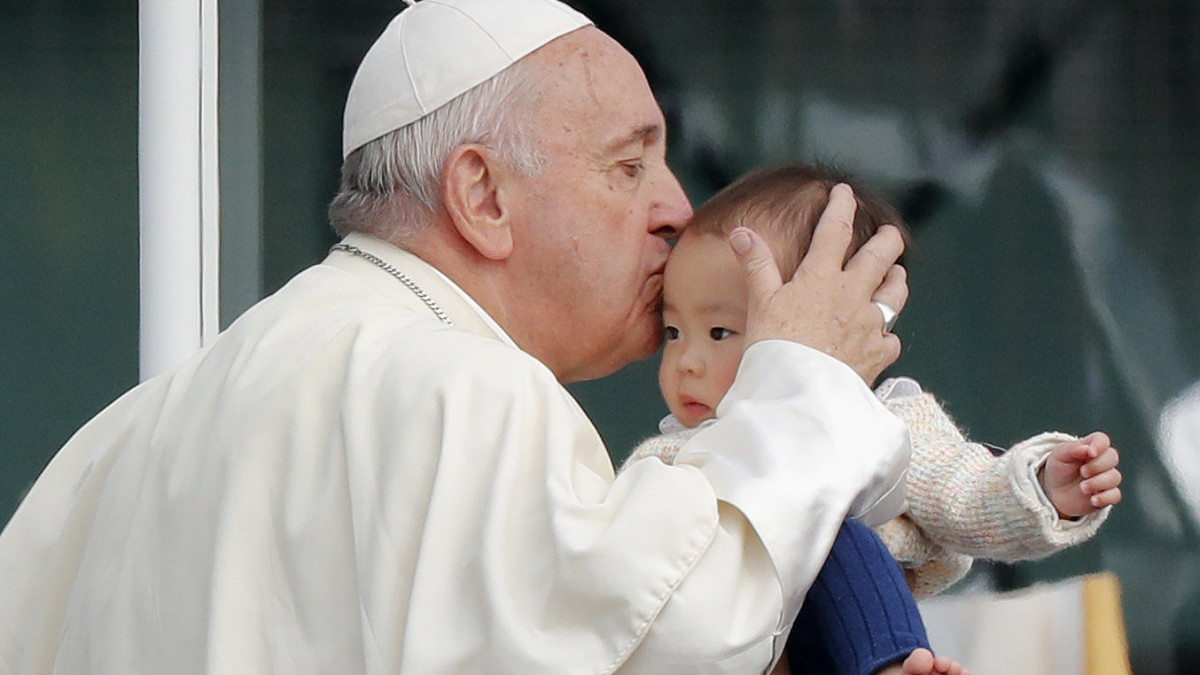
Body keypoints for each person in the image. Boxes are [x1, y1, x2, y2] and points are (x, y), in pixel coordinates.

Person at [0, 2, 923, 673]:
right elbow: (667, 641)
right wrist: (799, 378)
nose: (677, 209)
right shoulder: (457, 386)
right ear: (482, 196)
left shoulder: (120, 436)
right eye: (629, 163)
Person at [622, 162, 1123, 673]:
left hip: (848, 652)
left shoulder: (885, 426)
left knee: (829, 523)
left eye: (721, 332)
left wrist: (1043, 488)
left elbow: (964, 497)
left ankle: (891, 664)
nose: (687, 362)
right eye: (674, 333)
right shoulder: (670, 457)